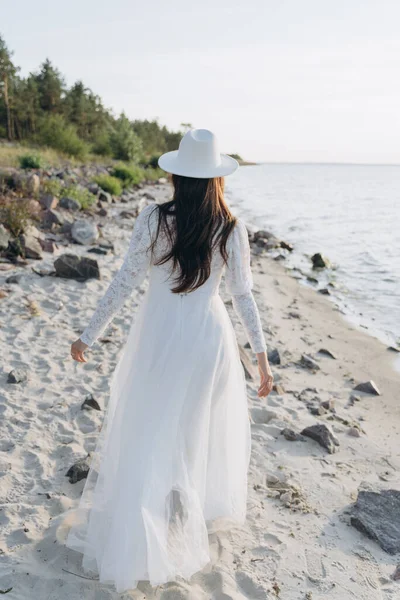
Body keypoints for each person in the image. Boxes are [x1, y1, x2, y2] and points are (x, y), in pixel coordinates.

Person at [66, 129, 273, 593]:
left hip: (159, 336)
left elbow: (124, 282)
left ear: (177, 175)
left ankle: (145, 528)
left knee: (148, 428)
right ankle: (179, 524)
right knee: (190, 432)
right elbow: (243, 298)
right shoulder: (231, 227)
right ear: (217, 178)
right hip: (208, 339)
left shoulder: (154, 219)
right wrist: (261, 358)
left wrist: (88, 335)